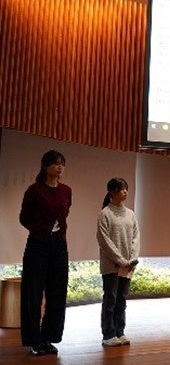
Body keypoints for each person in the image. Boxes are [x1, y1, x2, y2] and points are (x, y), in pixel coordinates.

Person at [19, 150, 72, 356]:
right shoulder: (34, 190)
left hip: (59, 244)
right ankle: (34, 340)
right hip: (37, 244)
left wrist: (56, 232)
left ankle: (49, 337)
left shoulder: (66, 190)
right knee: (33, 292)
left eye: (62, 164)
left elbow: (66, 212)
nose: (60, 167)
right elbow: (24, 218)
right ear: (45, 166)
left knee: (57, 292)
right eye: (56, 163)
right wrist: (41, 230)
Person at [97, 177, 140, 347]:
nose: (125, 191)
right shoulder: (105, 213)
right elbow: (104, 241)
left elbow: (136, 237)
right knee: (110, 299)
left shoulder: (131, 214)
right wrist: (121, 260)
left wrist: (131, 260)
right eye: (122, 189)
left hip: (127, 265)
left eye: (126, 188)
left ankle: (120, 332)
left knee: (122, 299)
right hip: (112, 265)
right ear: (112, 192)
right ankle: (108, 335)